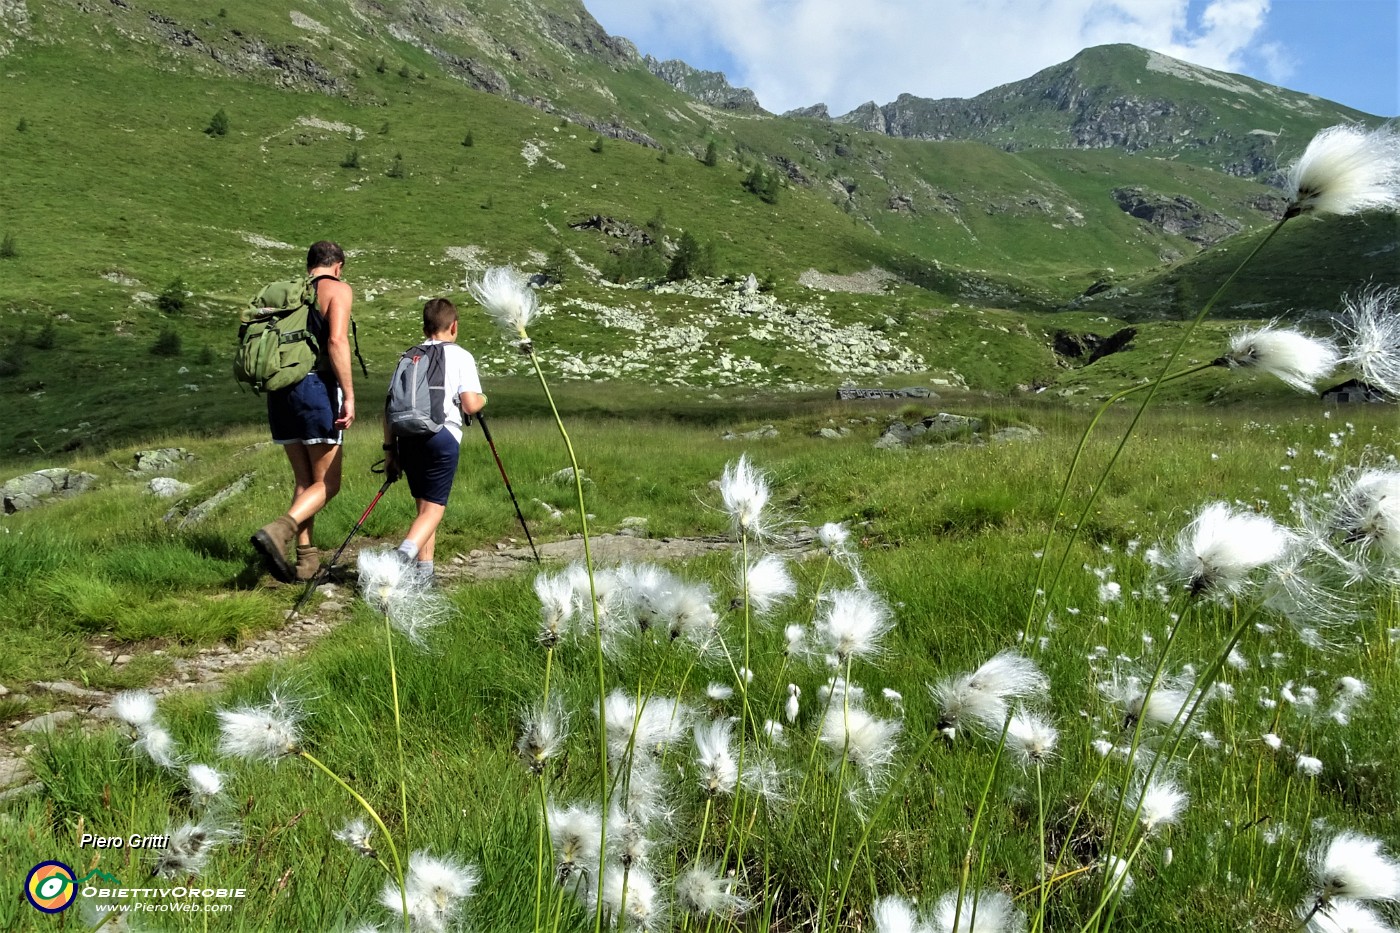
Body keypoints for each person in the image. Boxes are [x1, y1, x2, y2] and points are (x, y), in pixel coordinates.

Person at [251, 241, 357, 582]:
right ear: (338, 265)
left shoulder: (290, 294)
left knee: (304, 481)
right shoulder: (336, 290)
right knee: (328, 483)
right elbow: (337, 341)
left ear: (309, 264)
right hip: (315, 388)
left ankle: (306, 560)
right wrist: (350, 396)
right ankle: (279, 530)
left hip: (280, 389)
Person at [384, 298, 486, 585]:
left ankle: (425, 572)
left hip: (406, 436)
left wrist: (390, 451)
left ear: (424, 326)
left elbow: (389, 406)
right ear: (454, 326)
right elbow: (470, 404)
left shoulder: (408, 356)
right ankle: (400, 559)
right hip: (442, 435)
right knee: (434, 509)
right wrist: (483, 399)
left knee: (423, 505)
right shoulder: (461, 355)